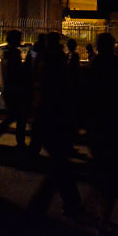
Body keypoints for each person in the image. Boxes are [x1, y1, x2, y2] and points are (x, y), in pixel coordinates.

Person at [83, 33, 118, 235]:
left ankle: (93, 211)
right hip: (116, 125)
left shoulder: (90, 69)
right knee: (112, 173)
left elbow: (81, 97)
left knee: (99, 167)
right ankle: (103, 218)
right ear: (113, 46)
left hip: (95, 126)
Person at [27, 32, 82, 218]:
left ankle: (70, 202)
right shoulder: (58, 60)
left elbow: (46, 90)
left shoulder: (50, 62)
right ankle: (70, 201)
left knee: (59, 163)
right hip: (57, 116)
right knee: (60, 162)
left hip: (52, 116)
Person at [0, 30, 28, 149]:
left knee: (14, 116)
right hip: (14, 90)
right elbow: (15, 73)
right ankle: (17, 142)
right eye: (19, 38)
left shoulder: (7, 52)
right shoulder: (12, 53)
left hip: (9, 89)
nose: (21, 40)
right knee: (18, 116)